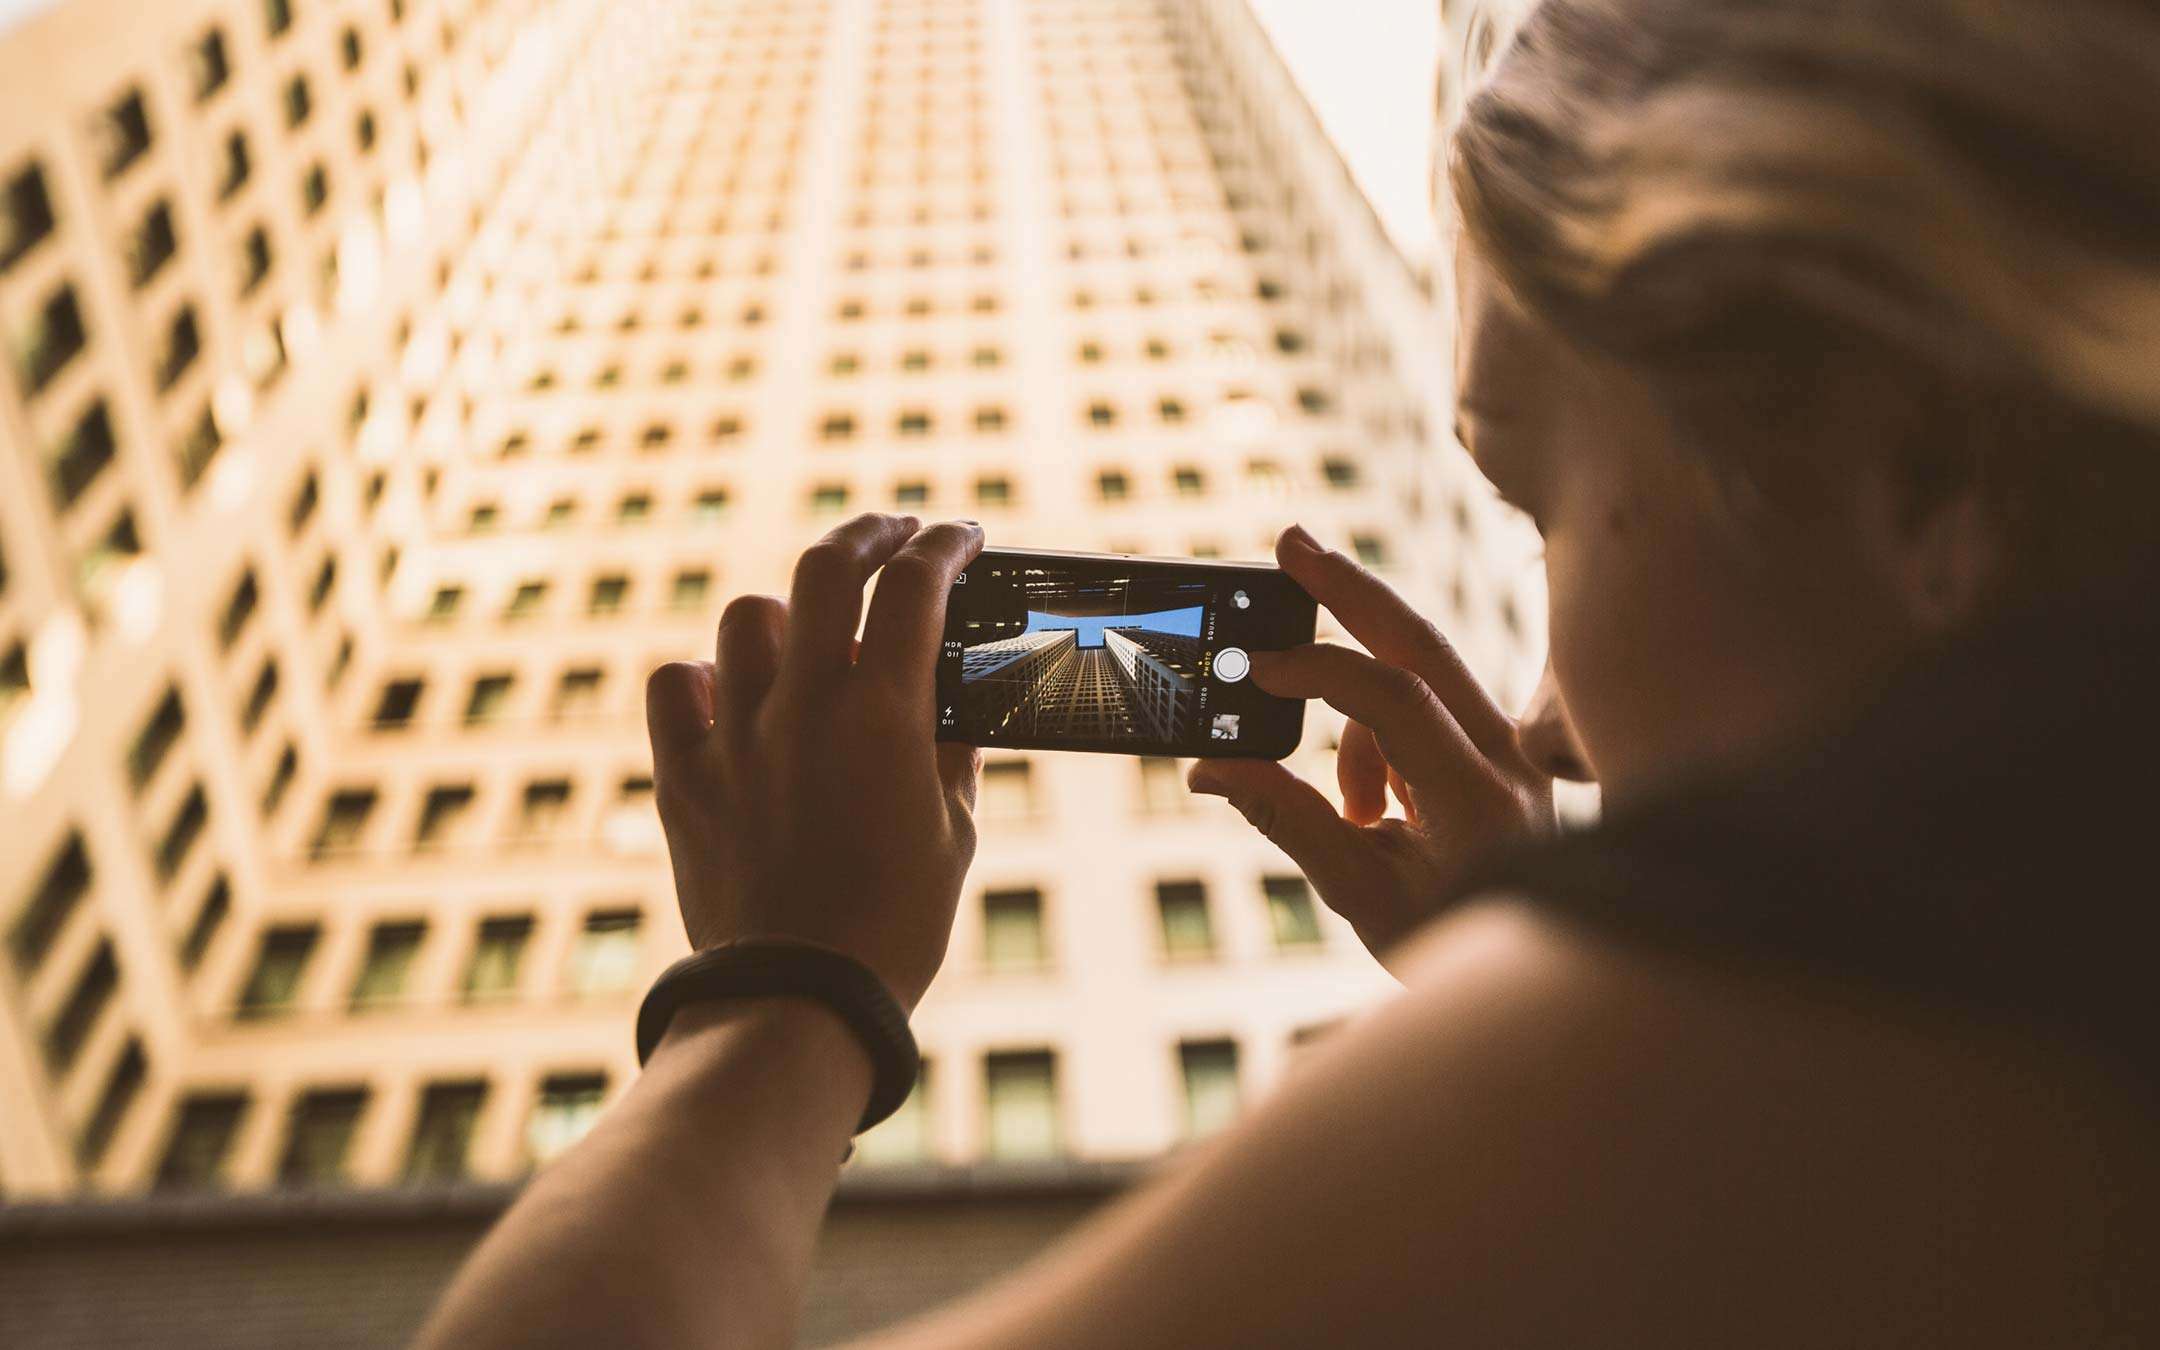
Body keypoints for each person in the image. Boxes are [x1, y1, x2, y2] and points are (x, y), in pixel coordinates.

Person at [413, 0, 2160, 1344]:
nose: (1545, 712)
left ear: (1923, 468)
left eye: (1538, 500)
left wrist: (783, 991)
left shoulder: (1887, 976)